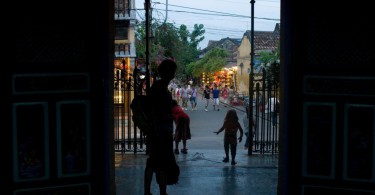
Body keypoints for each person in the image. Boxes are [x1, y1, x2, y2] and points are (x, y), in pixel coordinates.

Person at [144, 59, 177, 195]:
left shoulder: (160, 87)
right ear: (168, 73)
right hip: (160, 130)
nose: (173, 74)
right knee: (159, 161)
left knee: (156, 161)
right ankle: (159, 192)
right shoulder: (159, 88)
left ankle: (155, 191)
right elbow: (154, 110)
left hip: (160, 129)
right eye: (172, 71)